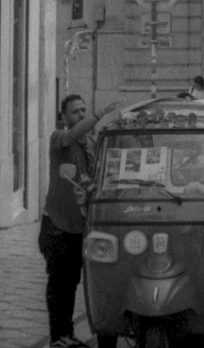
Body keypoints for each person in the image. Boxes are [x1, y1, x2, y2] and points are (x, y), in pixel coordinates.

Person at [39, 93, 123, 348]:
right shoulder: (59, 139)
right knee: (60, 286)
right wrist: (100, 114)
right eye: (76, 111)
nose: (82, 114)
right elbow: (69, 136)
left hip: (83, 227)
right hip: (58, 226)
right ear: (64, 117)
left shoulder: (91, 143)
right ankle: (58, 337)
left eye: (84, 110)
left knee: (77, 283)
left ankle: (69, 334)